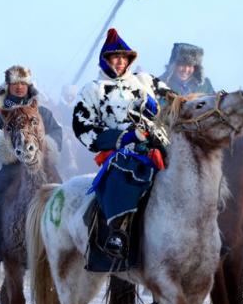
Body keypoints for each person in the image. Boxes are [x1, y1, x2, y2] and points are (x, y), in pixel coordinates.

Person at [72, 28, 171, 257]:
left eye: (123, 57)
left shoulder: (145, 81)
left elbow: (174, 101)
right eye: (114, 57)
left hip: (159, 144)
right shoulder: (92, 90)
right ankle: (118, 231)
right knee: (123, 173)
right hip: (120, 152)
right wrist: (124, 137)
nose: (119, 62)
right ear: (105, 60)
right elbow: (83, 128)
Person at [0, 65, 63, 262]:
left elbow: (57, 133)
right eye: (15, 83)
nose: (19, 87)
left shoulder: (42, 111)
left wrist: (47, 147)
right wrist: (6, 149)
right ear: (8, 86)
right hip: (12, 167)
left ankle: (65, 240)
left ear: (29, 86)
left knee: (64, 195)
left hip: (42, 165)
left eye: (23, 83)